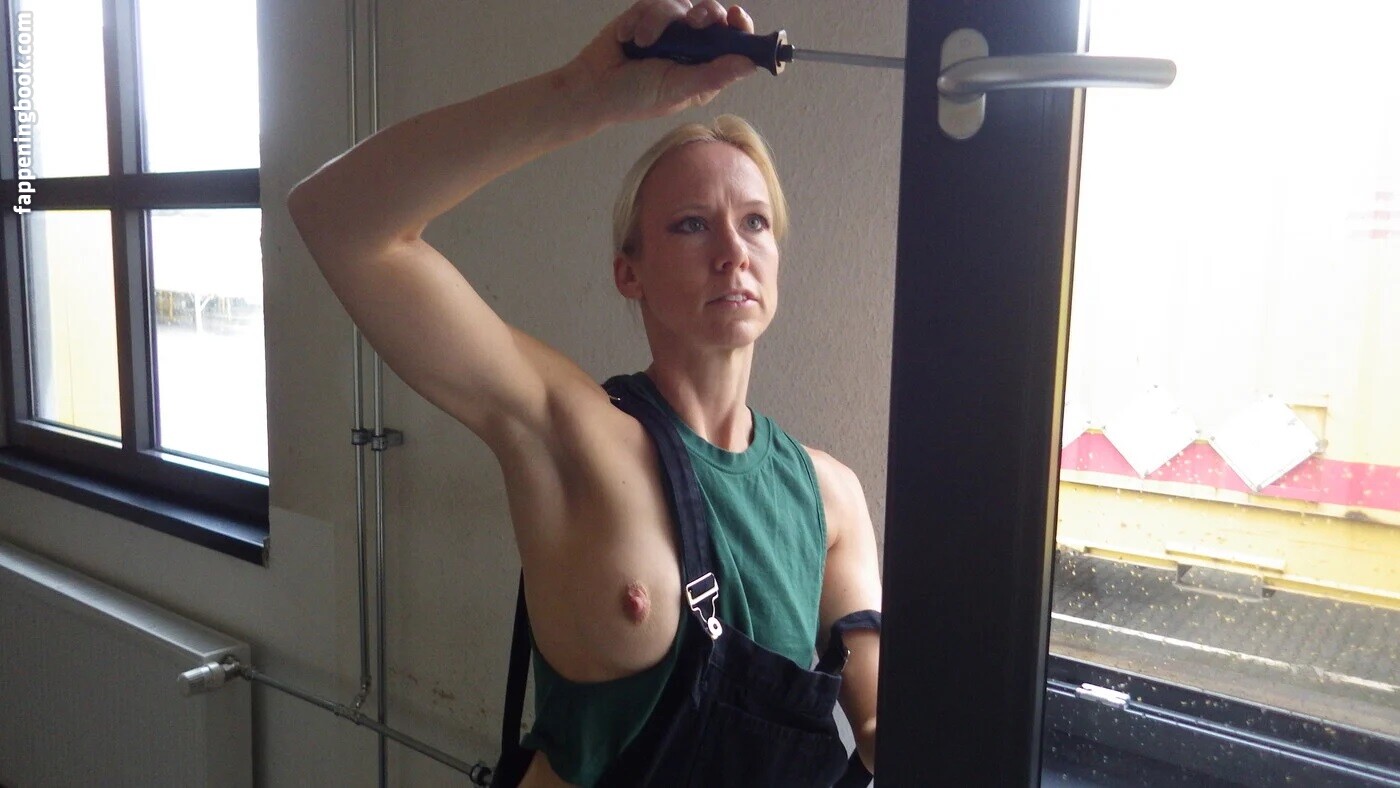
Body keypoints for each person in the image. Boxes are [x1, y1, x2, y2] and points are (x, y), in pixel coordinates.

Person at [287, 1, 882, 785]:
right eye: (691, 225)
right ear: (628, 272)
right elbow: (338, 219)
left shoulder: (831, 497)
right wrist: (584, 93)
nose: (733, 251)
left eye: (755, 223)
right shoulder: (571, 430)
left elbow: (880, 727)